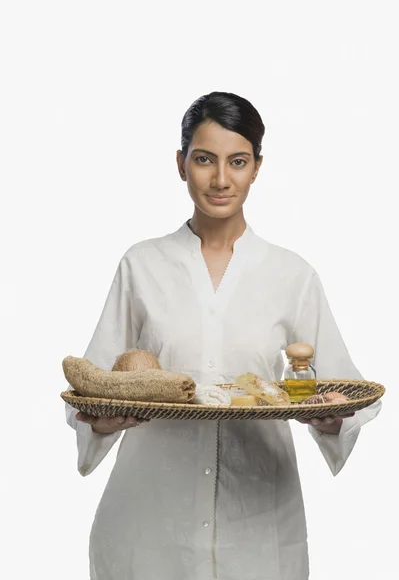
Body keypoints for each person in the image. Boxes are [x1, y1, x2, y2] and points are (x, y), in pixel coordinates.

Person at [65, 91, 382, 580]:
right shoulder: (141, 266)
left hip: (256, 525)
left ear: (257, 167)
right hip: (149, 526)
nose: (220, 179)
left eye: (237, 162)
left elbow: (341, 393)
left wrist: (330, 418)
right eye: (204, 160)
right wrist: (99, 421)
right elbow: (93, 385)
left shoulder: (291, 274)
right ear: (180, 163)